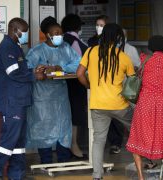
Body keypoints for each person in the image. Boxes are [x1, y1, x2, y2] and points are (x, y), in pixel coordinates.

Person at [76, 23, 135, 180]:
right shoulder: (123, 56)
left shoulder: (91, 52)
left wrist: (90, 86)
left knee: (98, 140)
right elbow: (132, 82)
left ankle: (97, 175)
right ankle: (147, 163)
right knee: (136, 131)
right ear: (117, 38)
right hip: (120, 105)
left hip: (98, 104)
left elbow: (79, 73)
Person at [0, 17, 46, 179]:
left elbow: (20, 68)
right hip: (11, 102)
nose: (26, 35)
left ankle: (17, 174)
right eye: (24, 32)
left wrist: (33, 70)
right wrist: (34, 76)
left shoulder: (15, 47)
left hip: (19, 100)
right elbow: (13, 72)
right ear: (14, 30)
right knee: (8, 140)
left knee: (18, 142)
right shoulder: (7, 47)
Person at [126, 35, 163, 180]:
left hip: (145, 103)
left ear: (150, 48)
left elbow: (139, 77)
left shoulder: (145, 61)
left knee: (138, 139)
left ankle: (140, 176)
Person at [25, 16, 80, 164]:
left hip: (61, 96)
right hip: (42, 98)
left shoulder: (66, 48)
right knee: (44, 127)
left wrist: (61, 68)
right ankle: (46, 161)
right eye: (55, 33)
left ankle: (63, 159)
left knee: (63, 127)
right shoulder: (36, 51)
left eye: (60, 33)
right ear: (48, 35)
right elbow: (27, 69)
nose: (59, 36)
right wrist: (39, 72)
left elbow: (79, 63)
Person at [61, 13, 89, 159]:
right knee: (76, 114)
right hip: (75, 83)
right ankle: (74, 146)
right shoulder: (73, 41)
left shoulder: (65, 39)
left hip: (64, 83)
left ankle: (69, 147)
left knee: (68, 114)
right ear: (77, 27)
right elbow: (79, 64)